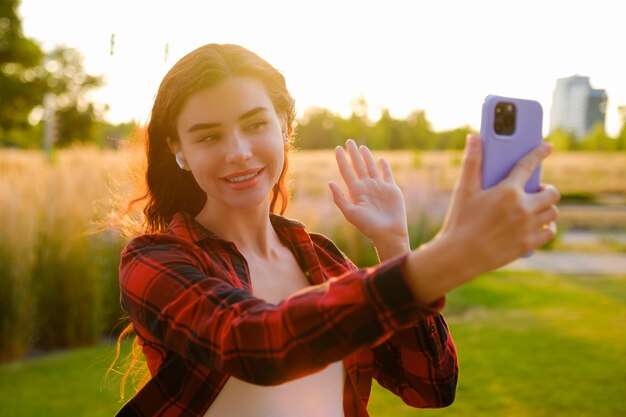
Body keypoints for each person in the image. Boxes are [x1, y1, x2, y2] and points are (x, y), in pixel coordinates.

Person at [111, 43, 559, 417]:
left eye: (255, 124)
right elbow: (257, 344)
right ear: (179, 150)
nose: (239, 152)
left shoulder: (322, 261)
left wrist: (396, 247)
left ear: (285, 128)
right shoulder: (155, 260)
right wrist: (445, 257)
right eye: (208, 136)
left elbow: (431, 387)